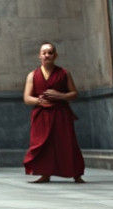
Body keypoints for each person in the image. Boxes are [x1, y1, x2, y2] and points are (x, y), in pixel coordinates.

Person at [22, 42, 85, 183]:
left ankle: (76, 174)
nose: (46, 55)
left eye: (50, 52)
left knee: (67, 143)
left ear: (55, 55)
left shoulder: (64, 73)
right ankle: (45, 173)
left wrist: (60, 96)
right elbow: (26, 98)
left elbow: (74, 93)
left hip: (61, 113)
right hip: (41, 114)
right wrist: (39, 101)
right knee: (42, 144)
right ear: (39, 56)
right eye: (44, 53)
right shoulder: (32, 75)